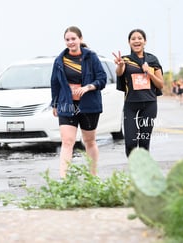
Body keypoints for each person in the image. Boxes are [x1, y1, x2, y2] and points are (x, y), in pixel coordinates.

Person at [50, 26, 107, 178]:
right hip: (67, 105)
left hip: (88, 105)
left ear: (80, 39)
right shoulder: (59, 60)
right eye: (67, 40)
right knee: (67, 141)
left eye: (73, 39)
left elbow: (102, 79)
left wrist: (88, 87)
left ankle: (92, 177)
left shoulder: (91, 57)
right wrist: (54, 104)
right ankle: (63, 179)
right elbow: (54, 83)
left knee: (89, 141)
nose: (70, 42)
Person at [112, 29, 164, 157]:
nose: (136, 41)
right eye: (133, 39)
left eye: (139, 38)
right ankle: (133, 170)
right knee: (130, 143)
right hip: (131, 105)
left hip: (149, 105)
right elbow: (119, 72)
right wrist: (119, 65)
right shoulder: (125, 60)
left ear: (144, 41)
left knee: (144, 142)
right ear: (129, 42)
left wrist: (149, 72)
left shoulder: (152, 60)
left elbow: (160, 84)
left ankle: (143, 173)